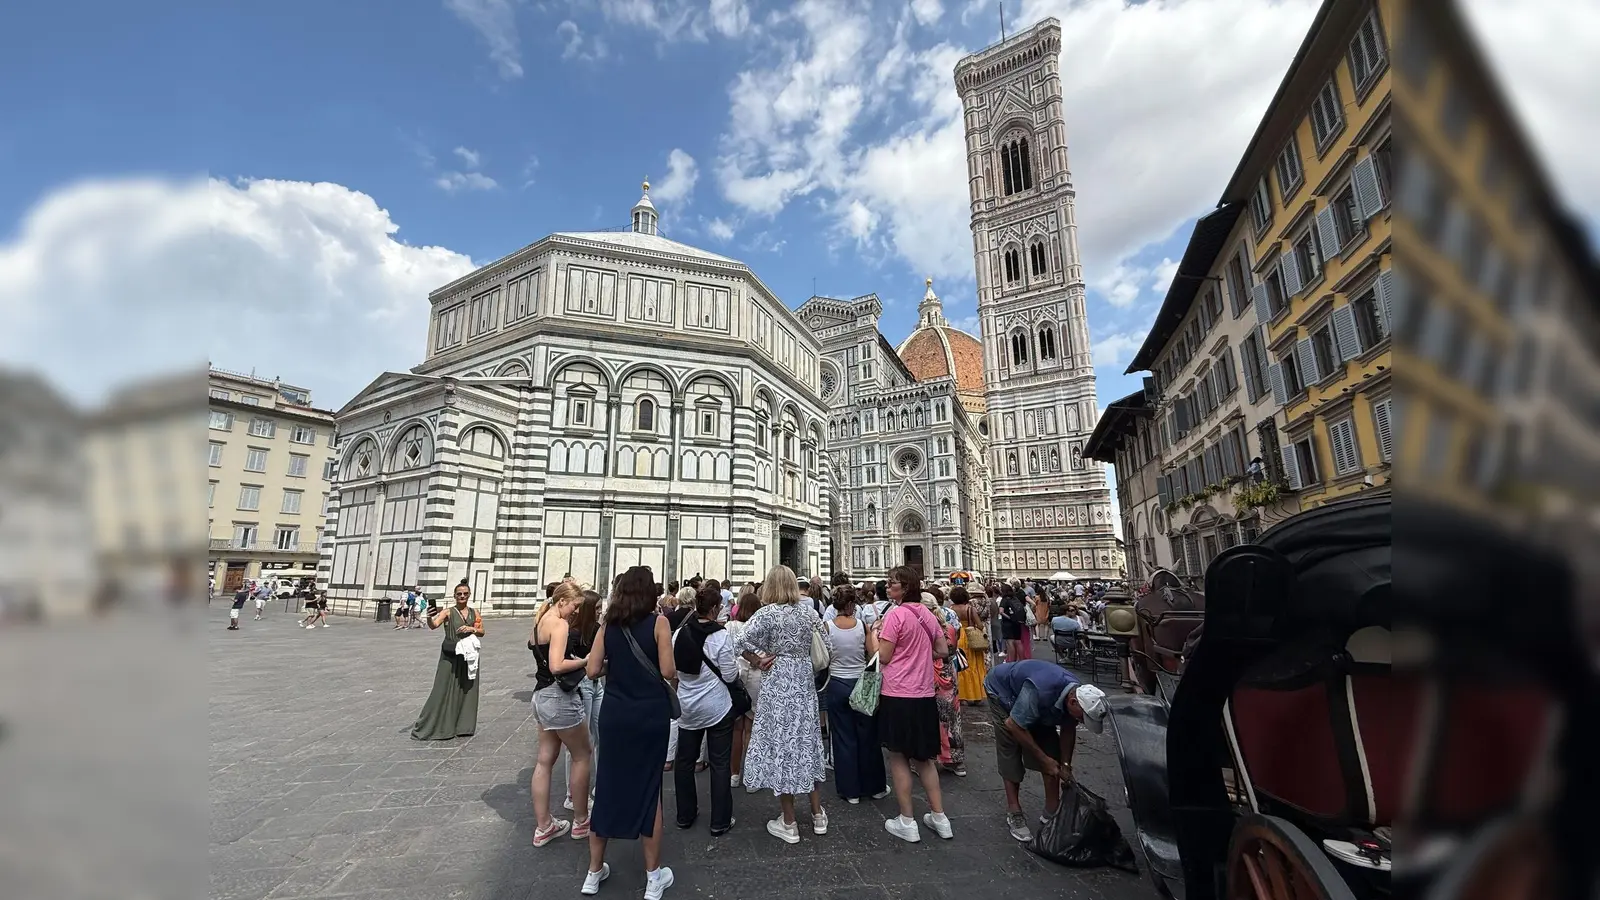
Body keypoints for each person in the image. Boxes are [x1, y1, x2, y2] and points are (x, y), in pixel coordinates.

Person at [583, 566, 675, 899]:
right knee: (650, 791)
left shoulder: (608, 626)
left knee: (607, 786)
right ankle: (653, 878)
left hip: (615, 716)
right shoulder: (659, 624)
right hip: (649, 716)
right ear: (649, 593)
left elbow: (592, 669)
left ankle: (593, 873)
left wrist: (618, 665)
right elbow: (668, 670)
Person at [734, 565, 828, 844]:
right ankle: (818, 815)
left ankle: (789, 822)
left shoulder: (767, 614)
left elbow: (738, 641)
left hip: (777, 685)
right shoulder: (809, 613)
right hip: (804, 685)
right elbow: (828, 647)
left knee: (783, 747)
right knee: (807, 743)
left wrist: (757, 659)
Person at [984, 659, 1109, 842]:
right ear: (1073, 702)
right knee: (1010, 750)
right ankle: (1014, 812)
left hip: (1040, 703)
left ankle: (1051, 811)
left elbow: (1068, 728)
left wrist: (1065, 765)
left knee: (1052, 754)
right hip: (1003, 691)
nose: (1082, 722)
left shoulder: (1077, 693)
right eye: (1083, 718)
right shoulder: (1040, 690)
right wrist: (1043, 759)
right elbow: (1014, 725)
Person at [875, 566, 953, 843]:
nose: (887, 587)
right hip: (923, 694)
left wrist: (874, 635)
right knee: (925, 759)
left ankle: (907, 821)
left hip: (897, 693)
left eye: (892, 583)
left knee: (899, 757)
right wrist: (919, 655)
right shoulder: (927, 614)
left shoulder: (895, 615)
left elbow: (884, 656)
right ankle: (940, 818)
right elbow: (942, 650)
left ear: (905, 587)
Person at [529, 582, 594, 846]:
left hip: (540, 697)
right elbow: (557, 665)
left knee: (544, 760)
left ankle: (544, 826)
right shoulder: (559, 624)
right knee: (582, 755)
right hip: (559, 697)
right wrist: (585, 661)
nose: (575, 612)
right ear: (563, 601)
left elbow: (544, 659)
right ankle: (581, 821)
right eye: (575, 606)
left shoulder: (539, 621)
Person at [671, 582, 739, 835]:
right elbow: (730, 675)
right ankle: (720, 821)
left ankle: (685, 815)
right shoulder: (720, 636)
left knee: (684, 762)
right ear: (713, 609)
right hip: (716, 707)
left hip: (688, 707)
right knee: (720, 763)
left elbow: (674, 671)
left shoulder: (679, 634)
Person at [822, 586, 886, 804]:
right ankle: (875, 787)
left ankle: (851, 791)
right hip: (861, 683)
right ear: (851, 605)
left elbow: (823, 658)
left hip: (837, 683)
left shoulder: (827, 627)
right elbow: (872, 653)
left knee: (843, 737)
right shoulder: (861, 626)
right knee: (868, 736)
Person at [411, 580, 483, 741]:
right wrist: (429, 617)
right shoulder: (448, 612)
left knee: (467, 688)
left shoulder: (475, 612)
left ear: (469, 595)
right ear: (454, 596)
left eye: (465, 593)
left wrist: (472, 629)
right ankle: (434, 725)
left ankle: (463, 726)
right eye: (459, 594)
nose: (462, 596)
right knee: (442, 687)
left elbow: (482, 631)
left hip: (468, 655)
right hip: (450, 654)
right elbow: (433, 625)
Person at [563, 589, 604, 814]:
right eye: (596, 609)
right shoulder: (572, 633)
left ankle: (601, 785)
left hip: (597, 685)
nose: (599, 612)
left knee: (600, 734)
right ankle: (573, 794)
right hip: (582, 685)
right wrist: (584, 661)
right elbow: (562, 661)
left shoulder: (597, 629)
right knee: (580, 742)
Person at [723, 588, 763, 791]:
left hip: (736, 677)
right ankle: (751, 778)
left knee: (736, 729)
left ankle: (734, 774)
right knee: (751, 729)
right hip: (756, 678)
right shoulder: (761, 628)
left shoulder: (730, 626)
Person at [951, 587, 988, 703]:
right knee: (973, 666)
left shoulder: (951, 609)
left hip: (957, 636)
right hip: (970, 637)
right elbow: (979, 625)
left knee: (960, 665)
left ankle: (962, 695)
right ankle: (975, 694)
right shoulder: (970, 609)